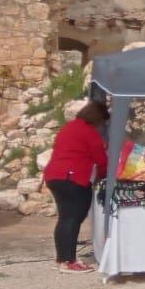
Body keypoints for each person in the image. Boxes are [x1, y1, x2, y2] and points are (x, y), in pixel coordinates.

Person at [41, 99, 110, 273]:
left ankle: (62, 258)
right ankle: (69, 261)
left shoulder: (69, 127)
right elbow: (101, 160)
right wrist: (105, 176)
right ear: (98, 119)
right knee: (73, 217)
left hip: (54, 175)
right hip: (72, 177)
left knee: (65, 217)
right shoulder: (89, 132)